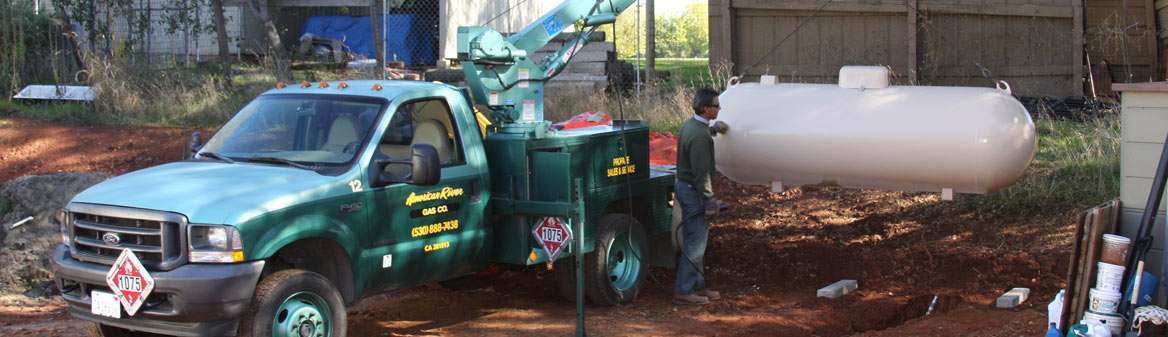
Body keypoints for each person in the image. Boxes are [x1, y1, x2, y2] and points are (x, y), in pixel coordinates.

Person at [674, 88, 722, 305]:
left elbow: (698, 136)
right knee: (695, 242)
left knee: (697, 239)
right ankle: (684, 290)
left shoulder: (691, 126)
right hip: (693, 191)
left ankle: (698, 286)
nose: (719, 109)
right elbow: (701, 172)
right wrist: (709, 199)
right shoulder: (700, 136)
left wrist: (714, 129)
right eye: (716, 106)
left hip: (685, 187)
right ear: (706, 109)